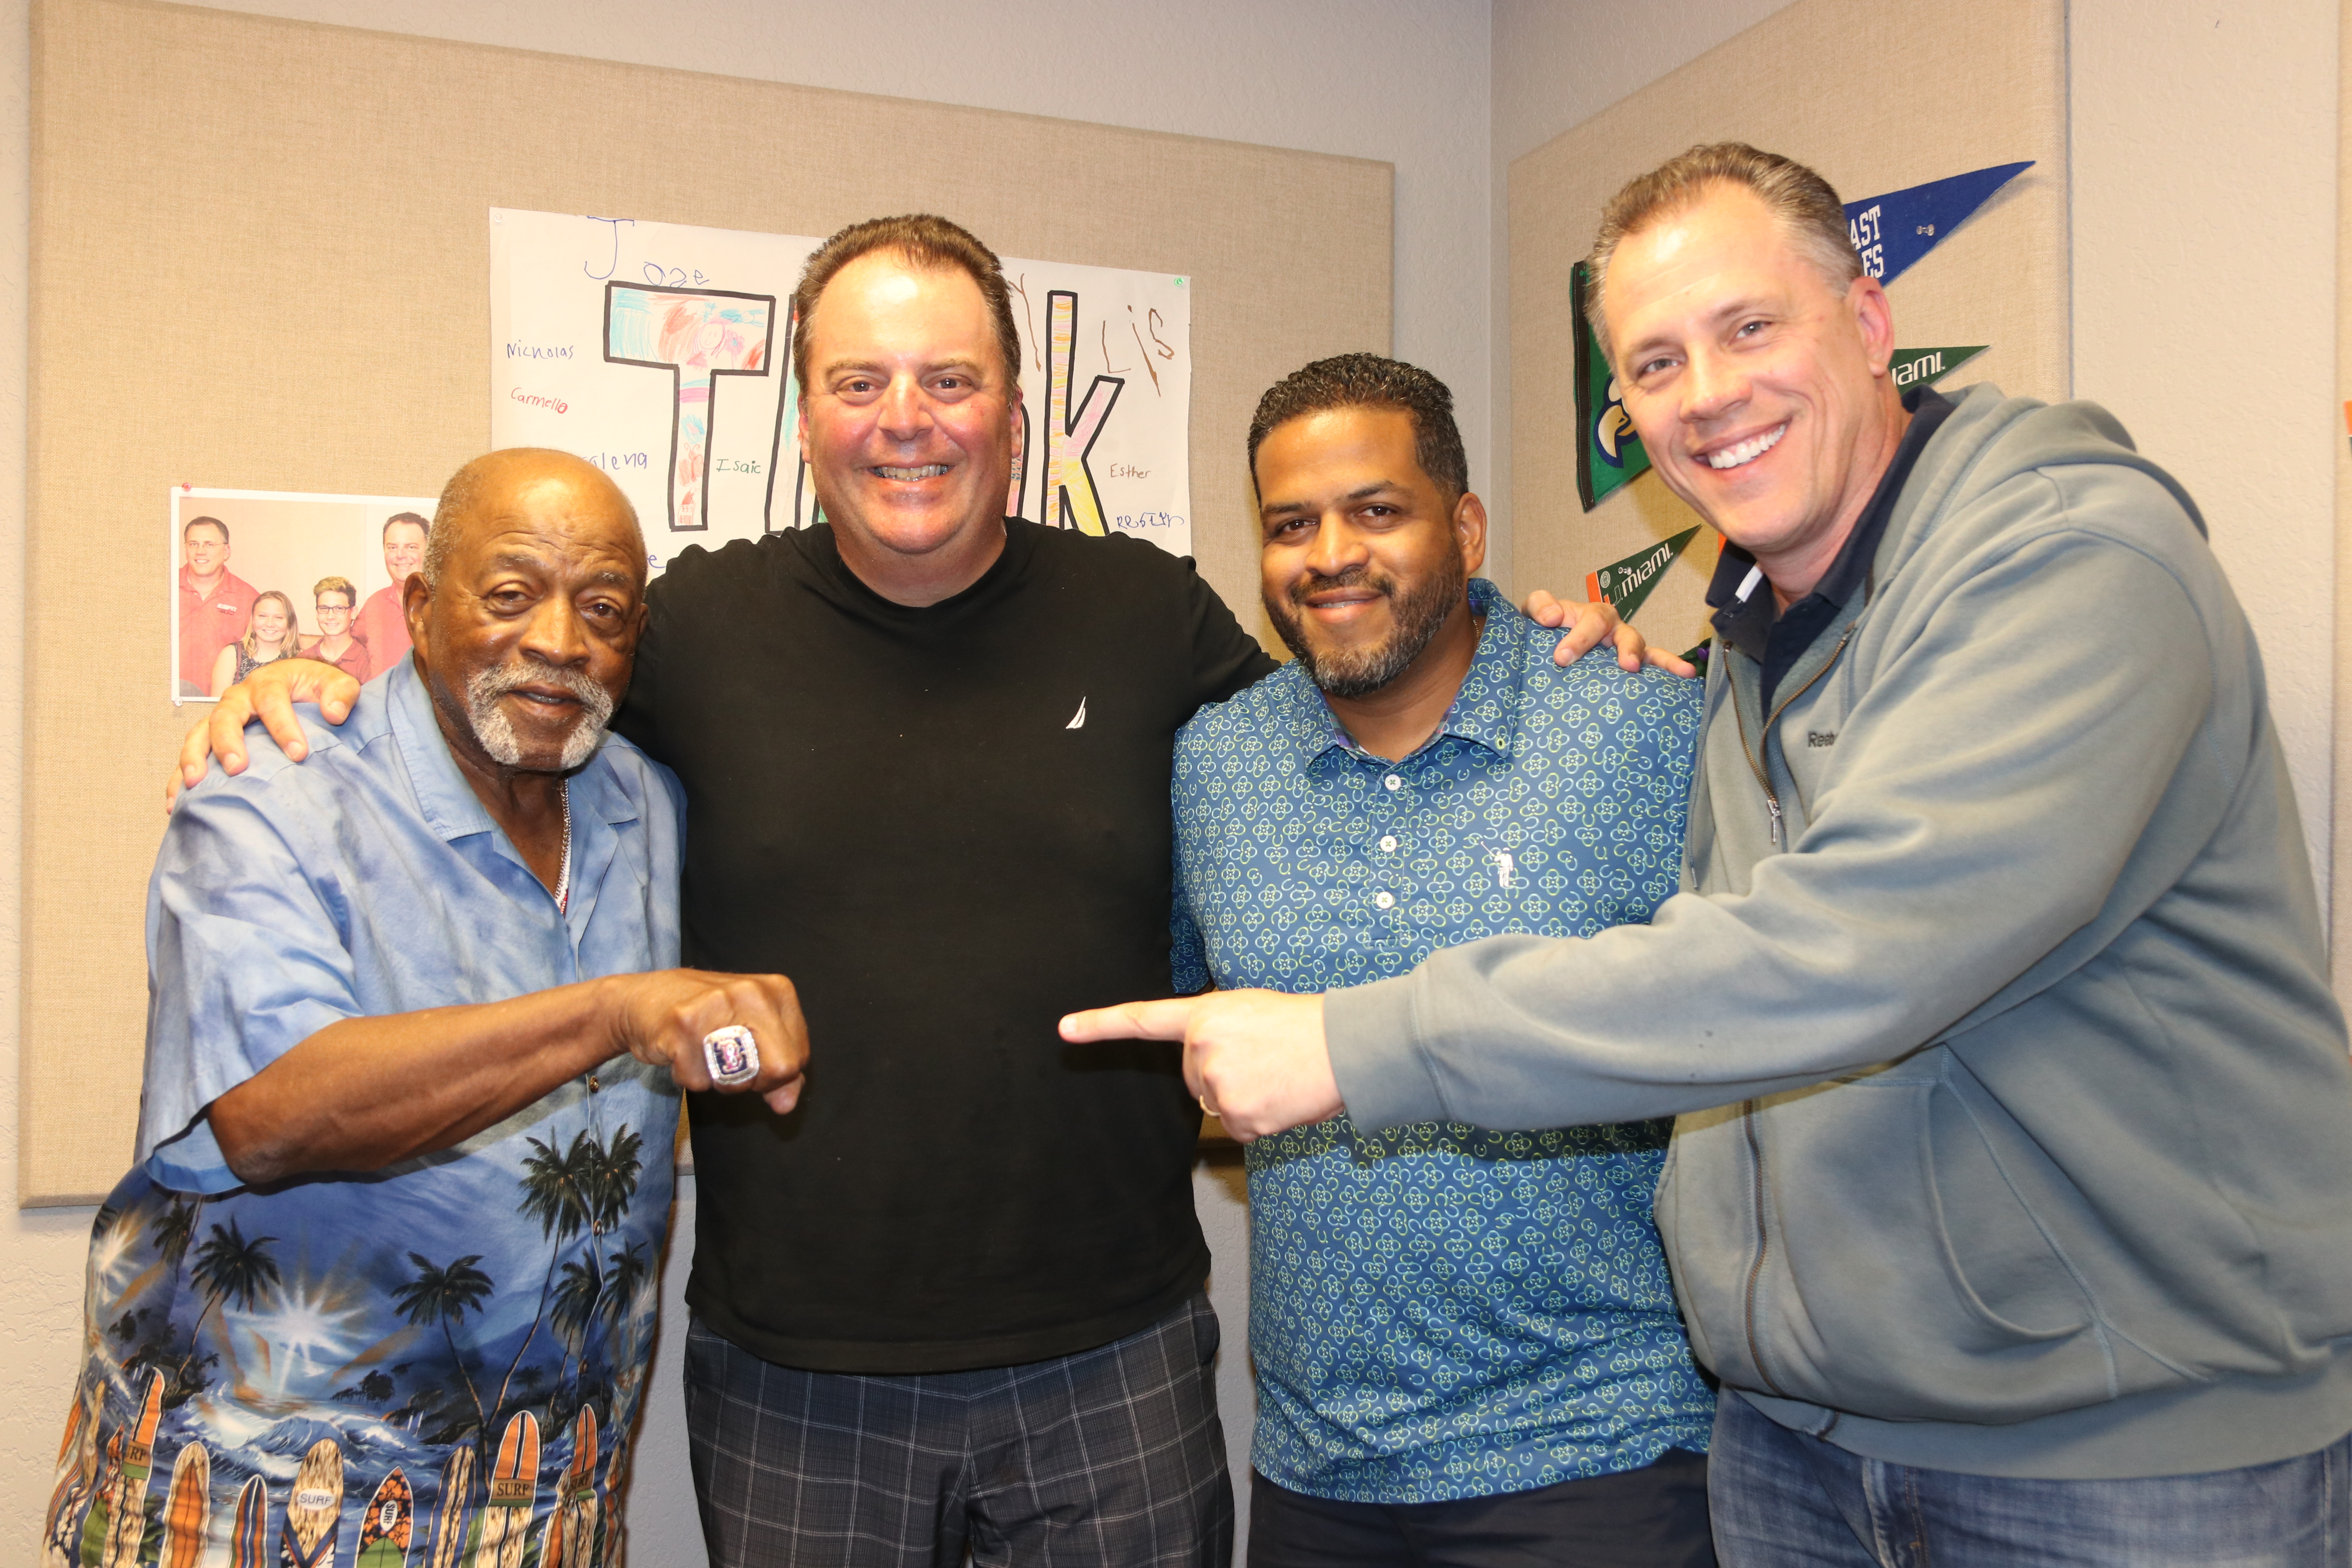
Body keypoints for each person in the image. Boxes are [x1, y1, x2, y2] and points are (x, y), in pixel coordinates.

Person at [177, 215, 1651, 1568]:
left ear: (1012, 412)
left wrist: (1533, 625)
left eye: (948, 377)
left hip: (1114, 1354)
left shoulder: (1144, 613)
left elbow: (1360, 695)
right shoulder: (694, 628)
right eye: (860, 379)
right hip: (798, 1378)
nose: (905, 420)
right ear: (805, 411)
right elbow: (516, 677)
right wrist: (326, 685)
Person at [1063, 144, 2352, 1565]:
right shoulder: (1740, 663)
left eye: (1749, 327)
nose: (1708, 393)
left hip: (2113, 1457)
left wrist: (1355, 1038)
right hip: (1793, 1443)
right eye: (1657, 362)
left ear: (1865, 323)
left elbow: (1849, 948)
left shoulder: (2065, 557)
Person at [47, 448, 808, 1568]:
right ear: (416, 605)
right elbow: (271, 1118)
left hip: (547, 1510)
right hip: (248, 1514)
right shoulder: (274, 787)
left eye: (602, 608)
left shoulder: (645, 802)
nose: (559, 639)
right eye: (509, 596)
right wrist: (609, 1014)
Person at [1176, 354, 1715, 1567]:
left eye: (1375, 510)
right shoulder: (1213, 766)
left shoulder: (1635, 718)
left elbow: (1747, 1019)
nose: (1328, 554)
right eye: (1288, 524)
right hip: (1318, 1470)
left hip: (1601, 1447)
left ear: (1463, 526)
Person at [175, 515, 256, 695]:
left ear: (227, 551)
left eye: (209, 544)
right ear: (186, 549)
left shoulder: (248, 598)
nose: (200, 551)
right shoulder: (163, 588)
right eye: (193, 544)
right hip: (165, 699)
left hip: (221, 705)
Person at [355, 510, 429, 670]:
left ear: (429, 550)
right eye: (392, 547)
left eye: (411, 547)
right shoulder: (375, 604)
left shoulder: (448, 604)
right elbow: (347, 646)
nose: (400, 555)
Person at [207, 587, 301, 697]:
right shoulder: (232, 655)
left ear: (290, 623)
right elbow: (217, 706)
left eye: (279, 618)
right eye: (262, 616)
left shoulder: (299, 659)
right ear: (253, 619)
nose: (270, 624)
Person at [302, 573, 371, 681]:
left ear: (353, 613)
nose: (330, 617)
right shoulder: (303, 660)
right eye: (324, 608)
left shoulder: (366, 660)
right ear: (317, 613)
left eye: (339, 609)